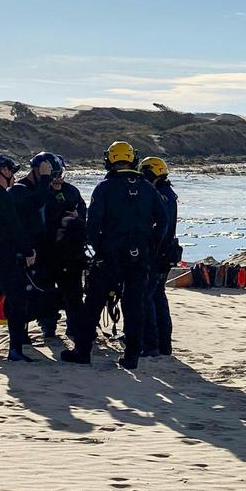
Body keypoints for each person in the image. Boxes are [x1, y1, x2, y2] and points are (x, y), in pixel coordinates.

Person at [61, 141, 167, 370]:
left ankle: (83, 351)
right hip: (138, 255)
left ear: (109, 160)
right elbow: (163, 220)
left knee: (94, 303)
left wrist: (99, 249)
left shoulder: (105, 188)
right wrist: (151, 246)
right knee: (134, 304)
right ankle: (131, 356)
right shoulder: (147, 187)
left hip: (110, 254)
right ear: (133, 159)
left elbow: (93, 223)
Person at [0, 154, 36, 361]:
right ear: (3, 170)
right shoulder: (3, 196)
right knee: (16, 303)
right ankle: (15, 351)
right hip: (5, 259)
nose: (13, 175)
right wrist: (28, 251)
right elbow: (14, 227)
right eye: (11, 170)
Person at [38, 154, 87, 340]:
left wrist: (77, 217)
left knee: (74, 293)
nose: (58, 177)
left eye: (61, 173)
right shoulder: (41, 192)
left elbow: (83, 214)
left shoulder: (72, 191)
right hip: (46, 251)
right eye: (55, 173)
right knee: (46, 290)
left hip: (71, 252)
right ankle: (48, 326)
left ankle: (73, 327)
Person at [8, 152, 56, 334]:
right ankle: (22, 332)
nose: (51, 180)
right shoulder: (18, 189)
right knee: (26, 292)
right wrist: (44, 178)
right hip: (25, 250)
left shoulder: (44, 188)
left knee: (46, 288)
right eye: (49, 175)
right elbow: (35, 202)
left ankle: (48, 325)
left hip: (43, 248)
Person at [139, 156, 178, 357]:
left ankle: (151, 344)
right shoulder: (168, 194)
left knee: (148, 296)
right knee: (158, 297)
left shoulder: (159, 195)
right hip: (164, 253)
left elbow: (158, 225)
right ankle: (164, 344)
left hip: (156, 253)